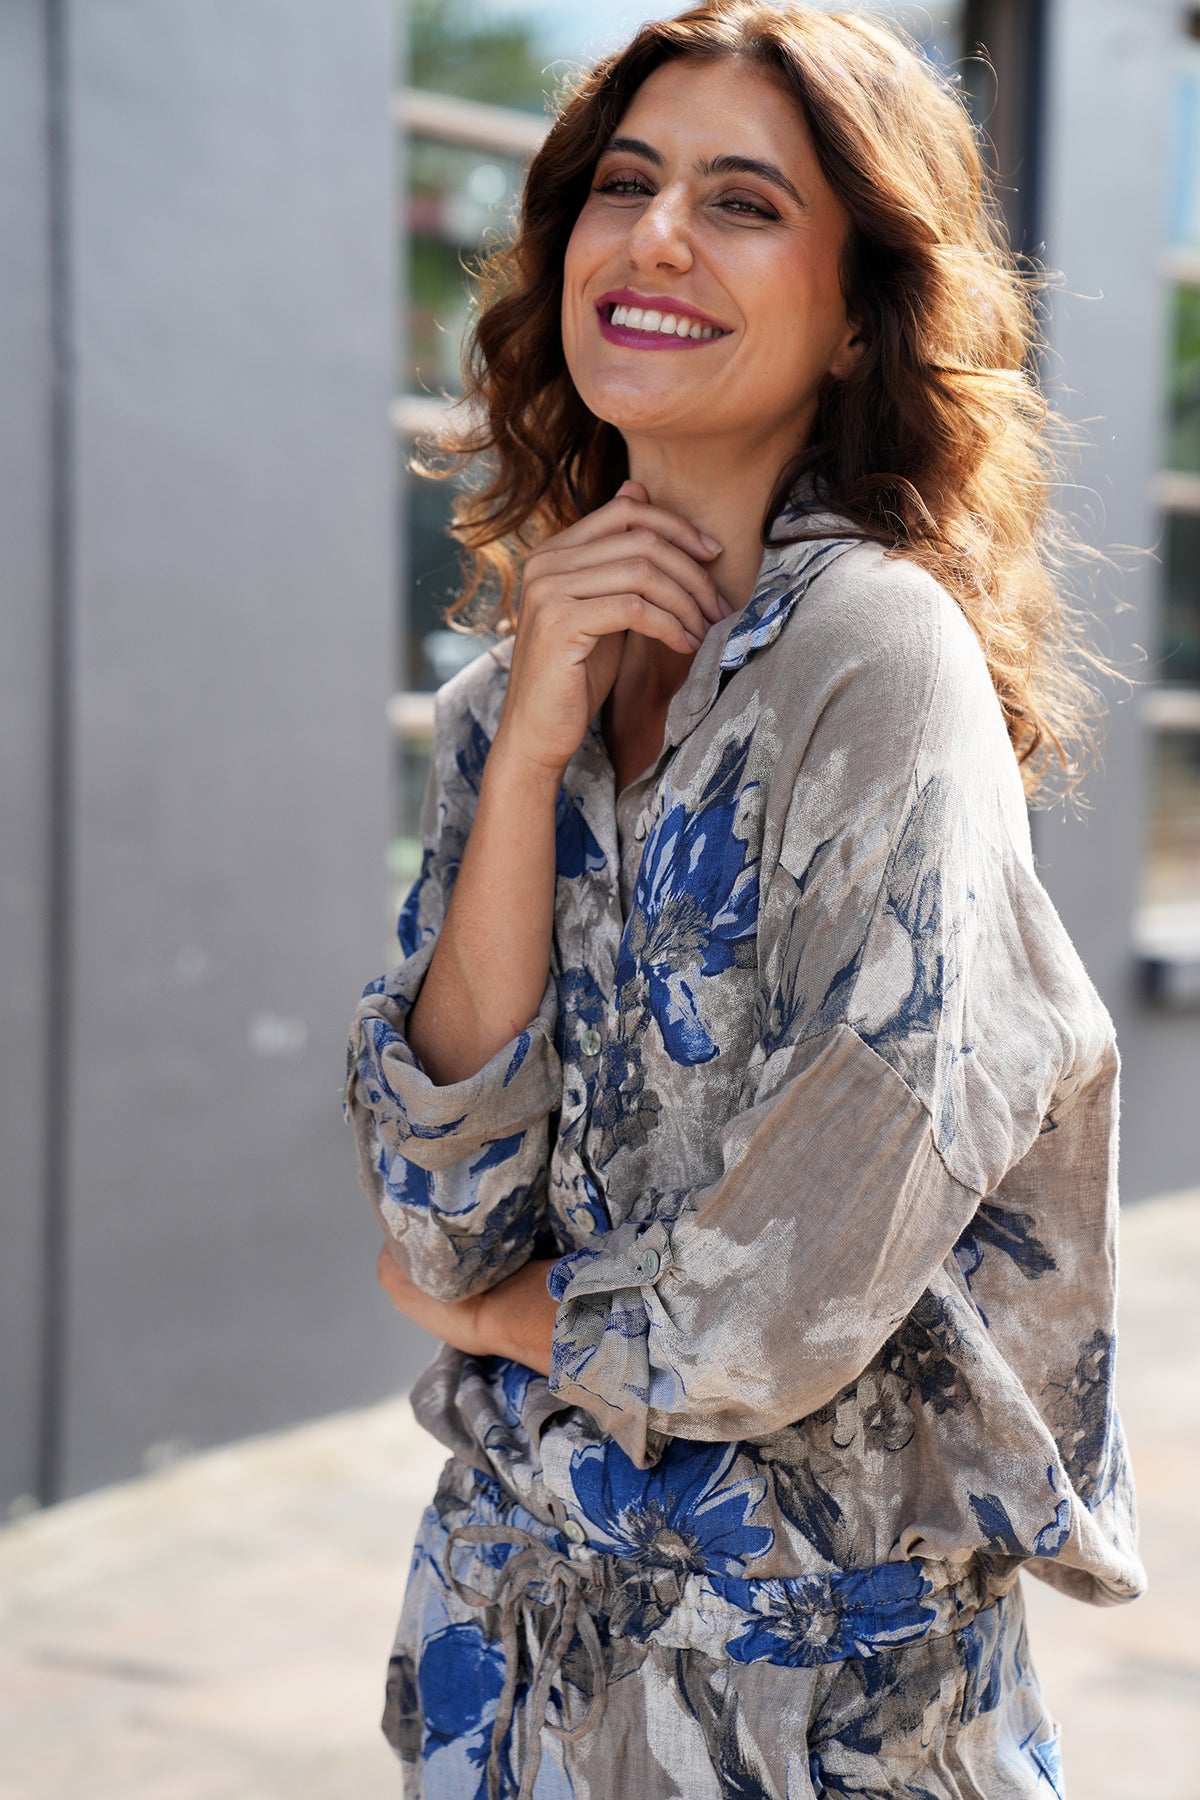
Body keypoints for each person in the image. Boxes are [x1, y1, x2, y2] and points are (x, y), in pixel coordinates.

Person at [345, 5, 1145, 1795]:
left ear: (858, 313)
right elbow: (440, 1208)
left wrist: (496, 1321)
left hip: (805, 1711)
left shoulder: (878, 657)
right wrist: (531, 757)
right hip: (511, 1664)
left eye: (742, 202)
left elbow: (781, 1301)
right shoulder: (507, 696)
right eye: (624, 184)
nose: (654, 238)